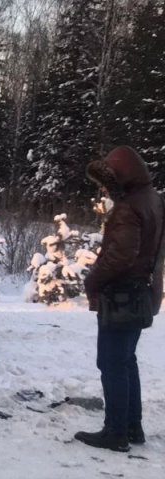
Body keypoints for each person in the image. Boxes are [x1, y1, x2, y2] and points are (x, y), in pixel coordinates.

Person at [75, 145, 164, 452]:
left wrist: (93, 279)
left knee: (112, 361)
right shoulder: (152, 199)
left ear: (122, 177)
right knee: (126, 360)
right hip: (139, 291)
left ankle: (115, 432)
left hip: (121, 294)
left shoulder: (128, 207)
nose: (103, 188)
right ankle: (131, 426)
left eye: (107, 181)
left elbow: (121, 256)